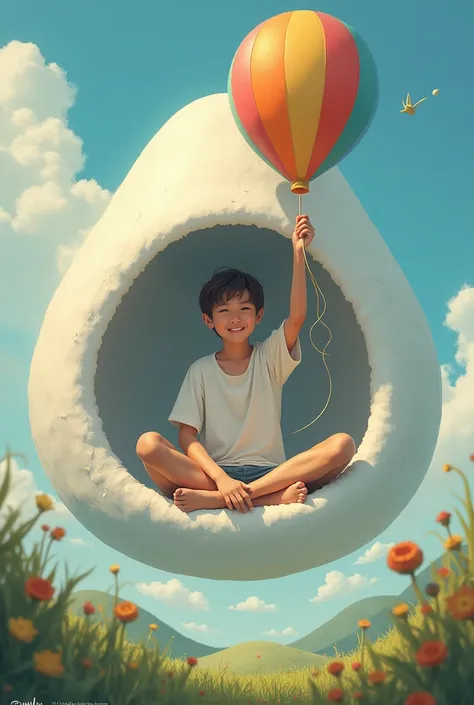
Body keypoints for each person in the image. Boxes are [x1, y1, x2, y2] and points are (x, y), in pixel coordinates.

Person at [136, 215, 355, 513]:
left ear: (259, 315)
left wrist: (298, 252)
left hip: (273, 475)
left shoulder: (269, 357)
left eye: (244, 309)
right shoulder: (200, 370)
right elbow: (187, 436)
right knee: (148, 445)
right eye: (224, 310)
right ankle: (257, 499)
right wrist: (222, 480)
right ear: (208, 320)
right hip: (214, 476)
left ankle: (237, 499)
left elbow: (298, 317)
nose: (235, 318)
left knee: (343, 445)